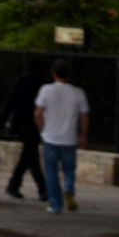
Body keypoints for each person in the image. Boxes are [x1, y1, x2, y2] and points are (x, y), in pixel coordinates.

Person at [34, 59, 90, 214]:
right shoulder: (78, 93)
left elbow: (38, 113)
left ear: (54, 74)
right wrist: (83, 136)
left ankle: (55, 205)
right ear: (69, 75)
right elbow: (84, 117)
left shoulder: (46, 90)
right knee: (69, 170)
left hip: (50, 137)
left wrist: (41, 129)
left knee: (51, 173)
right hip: (69, 138)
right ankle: (68, 189)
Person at [0, 57, 50, 201]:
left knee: (27, 155)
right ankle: (42, 188)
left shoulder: (23, 80)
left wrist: (2, 121)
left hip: (24, 122)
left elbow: (10, 101)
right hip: (33, 123)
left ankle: (13, 185)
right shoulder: (42, 82)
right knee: (32, 155)